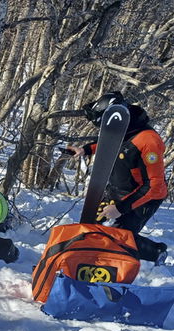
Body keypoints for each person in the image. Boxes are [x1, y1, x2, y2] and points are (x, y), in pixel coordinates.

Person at [67, 91, 168, 265]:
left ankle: (155, 253)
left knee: (119, 239)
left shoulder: (149, 141)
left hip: (143, 197)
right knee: (92, 227)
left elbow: (155, 186)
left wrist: (121, 208)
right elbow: (111, 142)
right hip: (118, 190)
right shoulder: (124, 128)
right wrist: (86, 149)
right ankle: (88, 258)